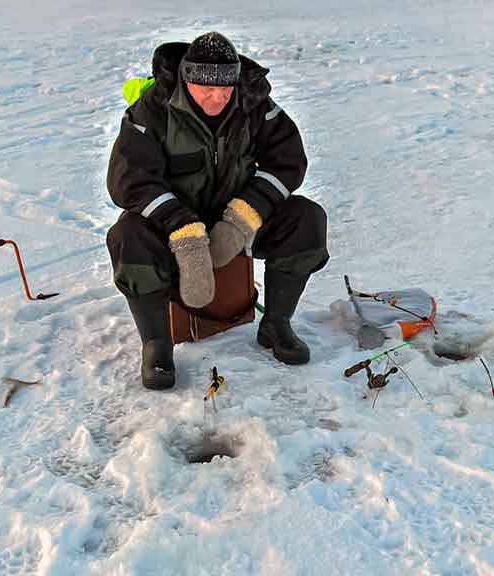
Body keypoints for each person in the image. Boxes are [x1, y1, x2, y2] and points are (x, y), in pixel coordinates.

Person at [106, 32, 329, 390]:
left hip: (237, 215)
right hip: (173, 222)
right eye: (206, 89)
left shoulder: (253, 101)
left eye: (226, 89)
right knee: (127, 236)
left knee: (307, 219)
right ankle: (157, 344)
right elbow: (128, 180)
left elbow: (288, 161)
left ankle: (276, 324)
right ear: (187, 79)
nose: (217, 98)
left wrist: (242, 219)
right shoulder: (153, 108)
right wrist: (183, 230)